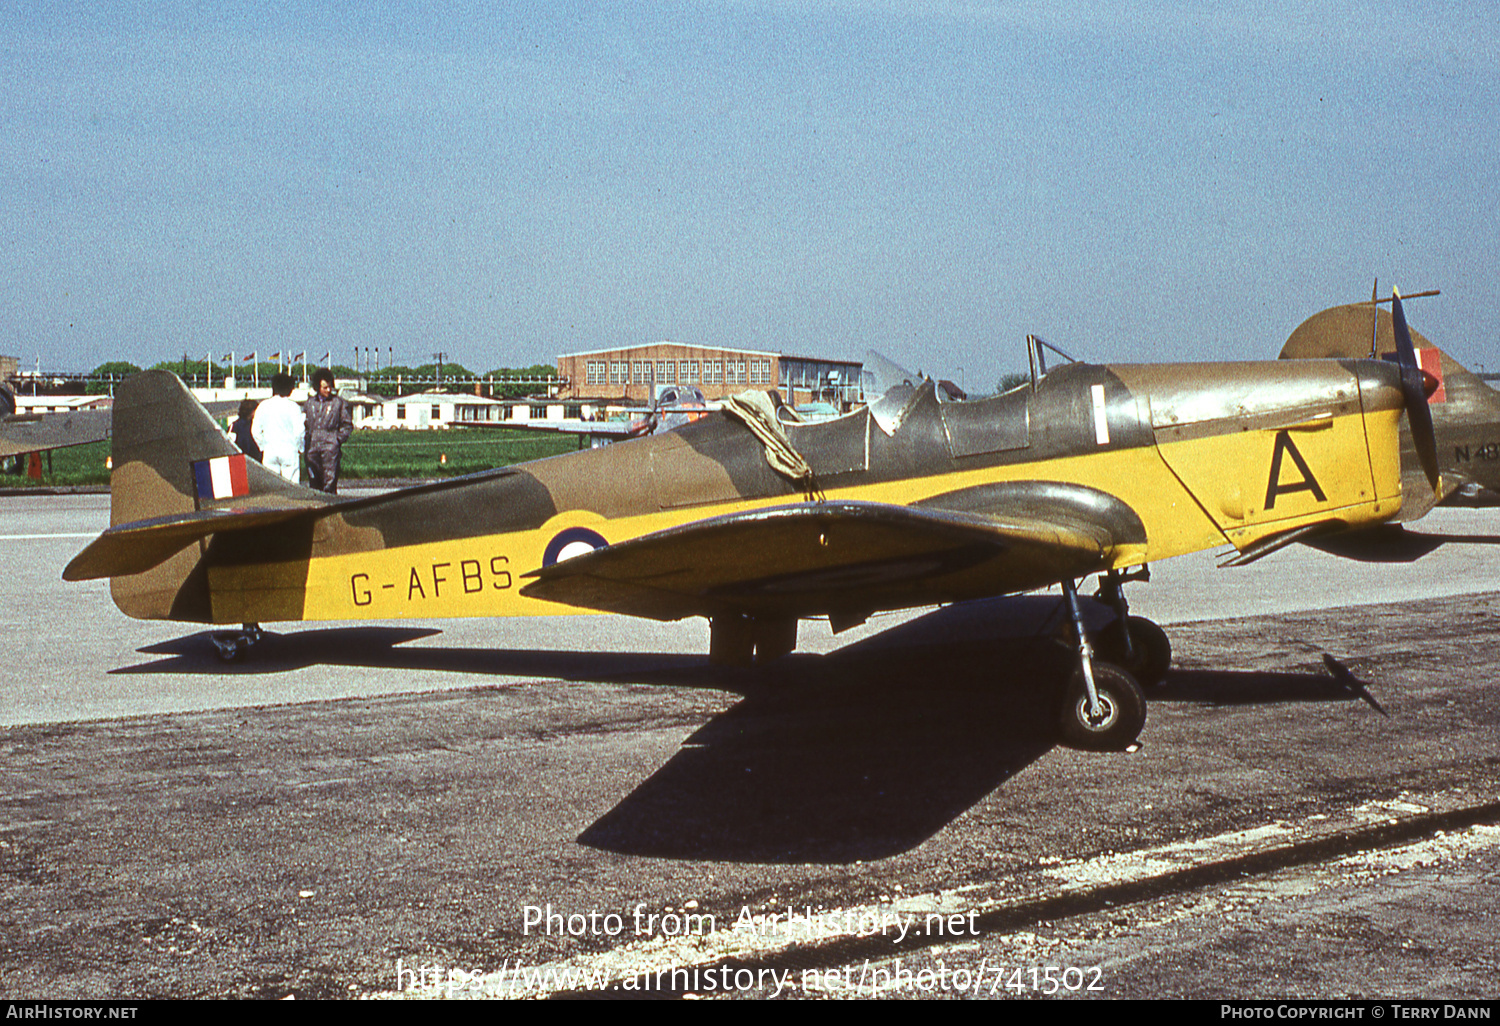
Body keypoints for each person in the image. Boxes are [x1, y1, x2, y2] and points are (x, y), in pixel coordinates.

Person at [304, 368, 352, 493]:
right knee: (314, 484)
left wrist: (337, 440)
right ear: (317, 387)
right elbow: (304, 424)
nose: (328, 390)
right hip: (312, 449)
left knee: (329, 483)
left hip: (330, 449)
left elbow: (347, 425)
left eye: (330, 387)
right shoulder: (309, 403)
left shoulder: (338, 403)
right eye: (325, 387)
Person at [252, 373, 303, 483]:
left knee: (271, 485)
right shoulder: (293, 407)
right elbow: (299, 432)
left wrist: (262, 446)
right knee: (291, 487)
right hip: (289, 450)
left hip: (270, 450)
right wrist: (300, 448)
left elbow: (255, 430)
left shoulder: (263, 405)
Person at [229, 397, 262, 462]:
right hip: (254, 460)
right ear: (253, 412)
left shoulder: (233, 426)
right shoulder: (255, 426)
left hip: (239, 460)